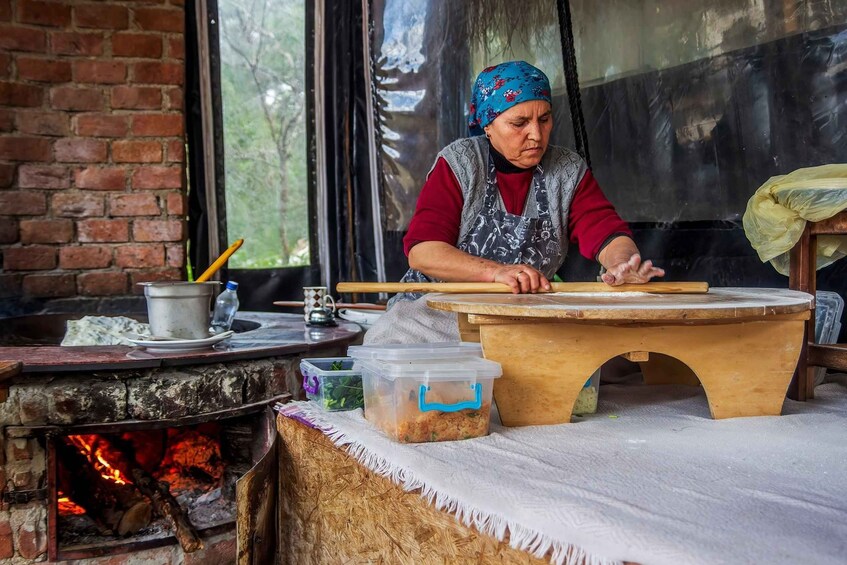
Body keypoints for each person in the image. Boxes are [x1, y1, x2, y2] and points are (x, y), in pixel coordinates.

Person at [365, 61, 664, 344]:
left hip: (521, 317)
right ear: (488, 125)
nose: (536, 134)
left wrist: (624, 264)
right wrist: (496, 272)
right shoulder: (461, 164)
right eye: (519, 122)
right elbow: (423, 252)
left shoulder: (567, 170)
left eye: (544, 119)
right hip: (437, 316)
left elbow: (607, 232)